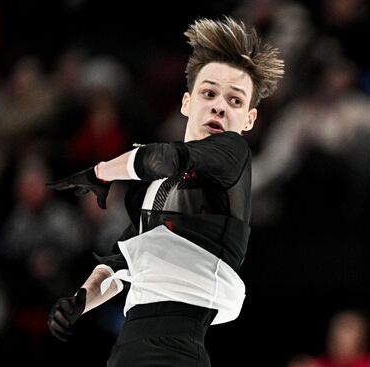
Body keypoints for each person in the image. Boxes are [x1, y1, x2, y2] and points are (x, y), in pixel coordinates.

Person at [45, 15, 284, 367]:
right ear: (186, 103)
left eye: (235, 101)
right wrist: (82, 298)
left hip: (174, 348)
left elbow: (161, 158)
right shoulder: (158, 191)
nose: (219, 105)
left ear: (248, 120)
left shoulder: (232, 154)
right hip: (129, 345)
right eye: (209, 93)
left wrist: (100, 173)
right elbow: (121, 261)